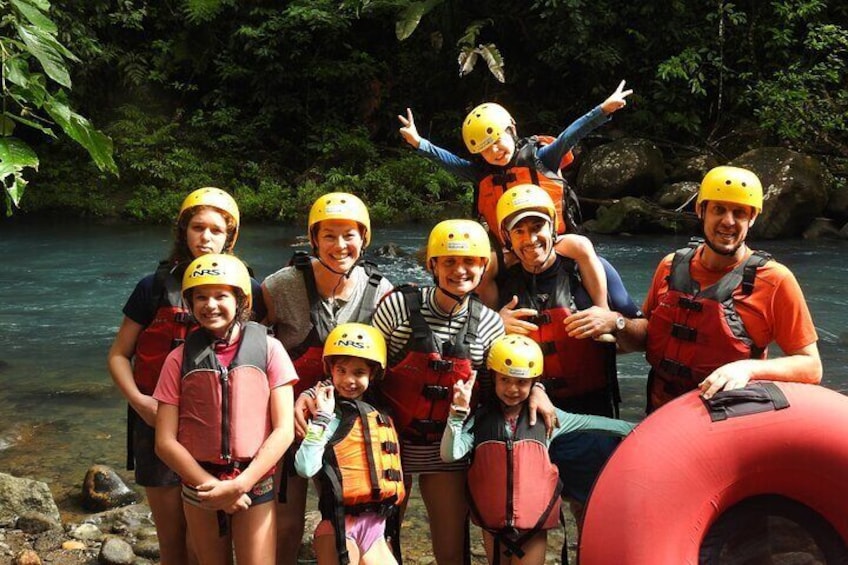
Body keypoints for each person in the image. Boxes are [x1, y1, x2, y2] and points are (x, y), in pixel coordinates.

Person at [372, 219, 556, 565]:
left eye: (470, 261)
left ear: (483, 266)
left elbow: (501, 384)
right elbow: (366, 368)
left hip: (446, 448)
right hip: (391, 442)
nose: (460, 271)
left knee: (452, 548)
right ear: (433, 266)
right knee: (379, 539)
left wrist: (537, 389)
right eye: (449, 262)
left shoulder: (488, 324)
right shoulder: (397, 307)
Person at [107, 187, 265, 564]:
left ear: (230, 237)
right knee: (173, 538)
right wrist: (141, 402)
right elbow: (118, 355)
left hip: (216, 427)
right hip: (154, 421)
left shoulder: (248, 291)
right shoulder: (153, 287)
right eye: (197, 227)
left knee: (206, 539)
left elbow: (261, 357)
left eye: (215, 230)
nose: (205, 238)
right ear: (184, 231)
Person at [398, 81, 633, 317]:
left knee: (582, 245)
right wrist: (419, 143)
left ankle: (601, 306)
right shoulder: (483, 174)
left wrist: (603, 111)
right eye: (486, 149)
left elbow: (568, 136)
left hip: (552, 241)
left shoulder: (541, 159)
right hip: (512, 248)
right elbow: (450, 162)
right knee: (485, 269)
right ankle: (491, 321)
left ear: (511, 130)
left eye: (498, 141)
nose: (495, 152)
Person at [493, 184, 642, 529]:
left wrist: (614, 320)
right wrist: (493, 324)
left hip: (590, 407)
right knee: (525, 520)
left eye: (537, 227)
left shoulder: (586, 269)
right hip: (525, 410)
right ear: (507, 238)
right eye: (519, 231)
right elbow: (470, 344)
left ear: (553, 227)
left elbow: (644, 336)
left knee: (593, 511)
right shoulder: (498, 282)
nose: (530, 239)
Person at [617, 165, 822, 411]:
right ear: (701, 210)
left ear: (753, 218)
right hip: (661, 414)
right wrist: (615, 324)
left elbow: (811, 367)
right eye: (719, 210)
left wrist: (747, 368)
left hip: (725, 421)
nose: (728, 221)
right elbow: (649, 336)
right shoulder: (670, 266)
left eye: (739, 213)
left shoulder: (775, 280)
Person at [262, 192, 393, 563]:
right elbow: (249, 346)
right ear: (314, 239)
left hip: (345, 429)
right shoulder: (281, 285)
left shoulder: (380, 292)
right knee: (286, 526)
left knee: (351, 519)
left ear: (363, 239)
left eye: (349, 235)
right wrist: (287, 405)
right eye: (329, 236)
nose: (339, 246)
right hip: (289, 420)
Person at [441, 335, 634, 565]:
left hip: (533, 527)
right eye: (505, 380)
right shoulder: (481, 419)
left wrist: (645, 427)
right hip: (494, 526)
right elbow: (450, 454)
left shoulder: (549, 419)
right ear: (493, 378)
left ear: (534, 382)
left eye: (522, 382)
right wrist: (456, 415)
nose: (512, 389)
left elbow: (598, 424)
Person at [154, 253, 296, 565]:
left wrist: (239, 485)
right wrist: (215, 487)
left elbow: (284, 430)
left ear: (240, 300)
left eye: (221, 295)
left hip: (254, 483)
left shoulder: (270, 349)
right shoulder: (177, 360)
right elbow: (164, 441)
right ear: (190, 304)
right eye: (200, 297)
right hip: (201, 486)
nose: (210, 305)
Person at [295, 323, 405, 565]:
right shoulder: (328, 416)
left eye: (358, 372)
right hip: (337, 526)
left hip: (375, 528)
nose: (349, 380)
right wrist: (321, 420)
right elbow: (305, 468)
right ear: (330, 371)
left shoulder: (378, 413)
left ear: (372, 374)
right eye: (341, 371)